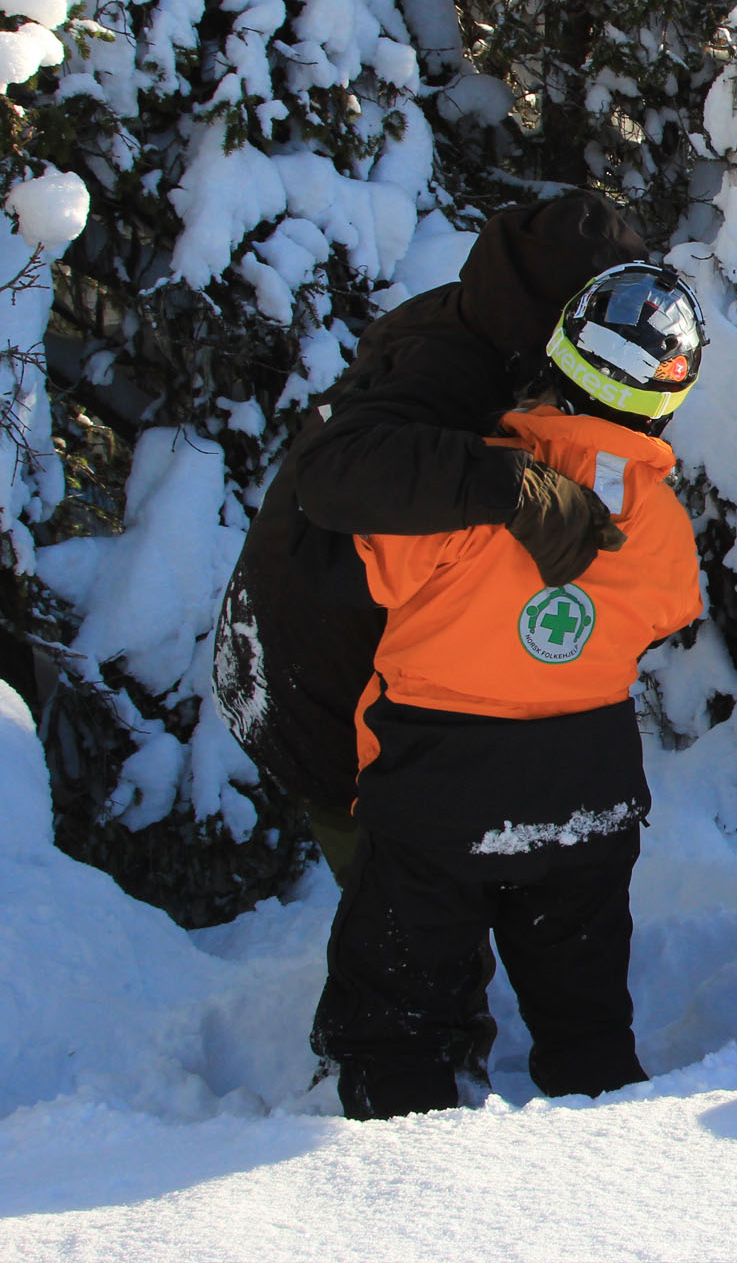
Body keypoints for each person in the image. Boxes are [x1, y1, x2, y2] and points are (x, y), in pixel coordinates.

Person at [309, 263, 706, 1119]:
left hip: (435, 786)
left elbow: (375, 566)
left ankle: (394, 1177)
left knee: (401, 1022)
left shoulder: (459, 487)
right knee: (588, 1017)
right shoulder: (662, 523)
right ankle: (623, 1168)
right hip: (588, 791)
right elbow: (665, 611)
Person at [216, 194, 646, 883]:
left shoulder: (487, 329)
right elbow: (333, 474)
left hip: (331, 664)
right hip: (314, 692)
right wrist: (512, 486)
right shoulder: (448, 366)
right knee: (410, 928)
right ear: (551, 311)